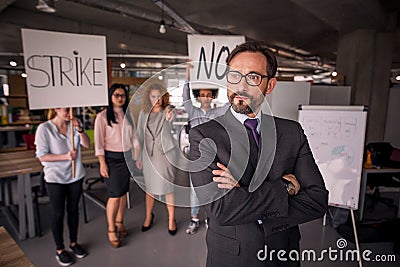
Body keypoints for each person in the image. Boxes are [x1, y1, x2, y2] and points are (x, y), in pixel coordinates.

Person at [189, 41, 329, 267]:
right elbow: (221, 211)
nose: (240, 86)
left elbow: (317, 200)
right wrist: (284, 187)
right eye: (234, 75)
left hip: (283, 254)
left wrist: (243, 198)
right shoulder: (203, 136)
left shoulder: (291, 132)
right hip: (233, 258)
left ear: (270, 85)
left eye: (252, 77)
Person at [35, 108, 90, 266]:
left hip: (76, 175)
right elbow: (42, 156)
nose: (69, 113)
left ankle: (74, 242)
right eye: (66, 110)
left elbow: (86, 144)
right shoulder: (44, 128)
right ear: (56, 109)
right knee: (58, 212)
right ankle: (60, 249)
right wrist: (65, 157)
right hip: (55, 177)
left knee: (73, 210)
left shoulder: (73, 125)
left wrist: (79, 128)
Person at [182, 61, 229, 234]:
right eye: (203, 94)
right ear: (198, 97)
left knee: (213, 189)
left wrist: (228, 75)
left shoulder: (218, 113)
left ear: (213, 96)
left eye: (209, 94)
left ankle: (211, 218)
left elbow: (230, 104)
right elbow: (185, 96)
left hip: (215, 157)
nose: (206, 97)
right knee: (195, 191)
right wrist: (188, 74)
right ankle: (194, 219)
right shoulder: (192, 112)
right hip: (196, 158)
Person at [94, 84, 141, 248]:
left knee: (123, 194)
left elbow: (134, 138)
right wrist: (102, 163)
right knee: (114, 195)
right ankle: (111, 228)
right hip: (111, 160)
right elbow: (98, 143)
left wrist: (137, 156)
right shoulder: (102, 116)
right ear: (110, 97)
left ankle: (120, 222)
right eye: (116, 95)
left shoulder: (128, 115)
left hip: (126, 158)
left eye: (122, 95)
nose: (120, 98)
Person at [136, 82, 178, 235]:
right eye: (154, 96)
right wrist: (138, 157)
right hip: (149, 155)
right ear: (149, 97)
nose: (157, 99)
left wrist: (171, 114)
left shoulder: (168, 110)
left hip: (165, 155)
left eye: (159, 97)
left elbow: (172, 116)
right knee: (150, 189)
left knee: (167, 188)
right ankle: (148, 216)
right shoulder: (143, 113)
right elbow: (139, 136)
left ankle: (171, 219)